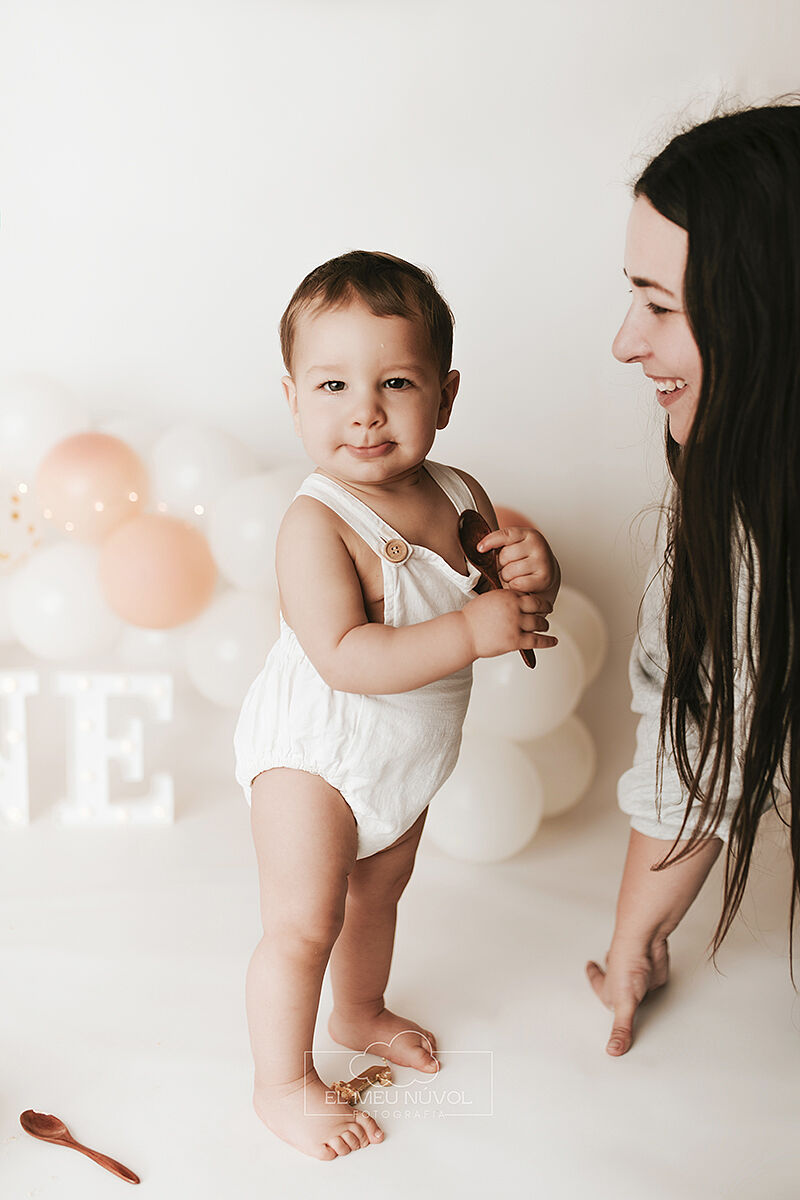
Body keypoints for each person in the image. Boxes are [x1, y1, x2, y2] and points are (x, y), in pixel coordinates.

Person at [235, 251, 560, 1159]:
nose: (364, 409)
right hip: (316, 751)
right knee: (305, 922)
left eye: (396, 381)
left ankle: (362, 1008)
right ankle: (282, 1083)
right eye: (333, 383)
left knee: (379, 895)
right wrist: (472, 633)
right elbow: (342, 656)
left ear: (446, 396)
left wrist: (531, 578)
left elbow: (497, 590)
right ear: (294, 399)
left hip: (405, 754)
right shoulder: (318, 521)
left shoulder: (458, 493)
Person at [587, 101, 800, 1056]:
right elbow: (706, 722)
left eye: (663, 307)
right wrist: (641, 933)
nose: (626, 342)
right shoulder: (727, 503)